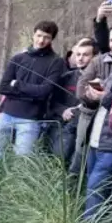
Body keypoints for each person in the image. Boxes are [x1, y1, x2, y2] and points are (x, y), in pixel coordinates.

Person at [0, 20, 66, 155]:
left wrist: (17, 84)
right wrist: (32, 92)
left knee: (22, 162)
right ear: (33, 35)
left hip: (30, 119)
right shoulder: (18, 58)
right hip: (6, 115)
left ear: (52, 39)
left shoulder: (55, 62)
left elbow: (44, 92)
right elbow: (3, 88)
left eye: (46, 37)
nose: (41, 41)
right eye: (39, 35)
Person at [80, 26, 112, 220]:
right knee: (92, 184)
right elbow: (82, 89)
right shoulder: (109, 65)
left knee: (96, 188)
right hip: (97, 135)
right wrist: (92, 94)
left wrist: (104, 96)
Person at [42, 39, 95, 178]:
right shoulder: (66, 78)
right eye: (78, 55)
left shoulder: (99, 81)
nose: (81, 58)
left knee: (76, 170)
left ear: (94, 57)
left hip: (85, 131)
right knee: (57, 162)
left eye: (85, 55)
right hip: (61, 126)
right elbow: (51, 102)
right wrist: (63, 110)